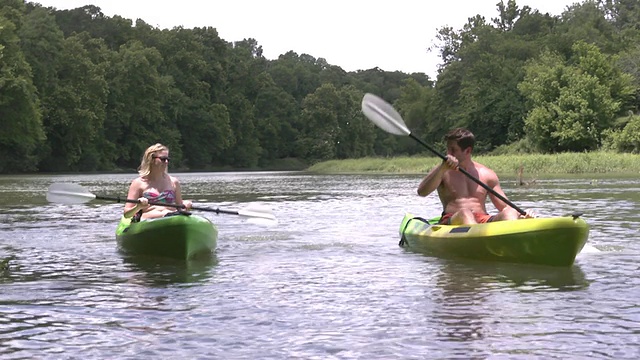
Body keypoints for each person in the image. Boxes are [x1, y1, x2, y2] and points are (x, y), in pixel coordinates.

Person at [417, 128, 534, 225]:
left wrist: (522, 216)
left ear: (467, 151)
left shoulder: (487, 174)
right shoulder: (442, 171)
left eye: (453, 150)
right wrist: (442, 168)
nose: (448, 154)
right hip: (454, 219)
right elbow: (422, 192)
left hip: (482, 219)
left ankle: (514, 241)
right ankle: (477, 241)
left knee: (510, 212)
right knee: (465, 213)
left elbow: (504, 206)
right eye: (447, 149)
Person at [124, 143, 192, 221]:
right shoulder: (138, 183)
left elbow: (181, 208)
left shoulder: (174, 182)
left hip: (172, 217)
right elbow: (126, 214)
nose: (166, 162)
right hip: (150, 221)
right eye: (163, 159)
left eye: (168, 159)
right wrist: (138, 207)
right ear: (151, 159)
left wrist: (185, 206)